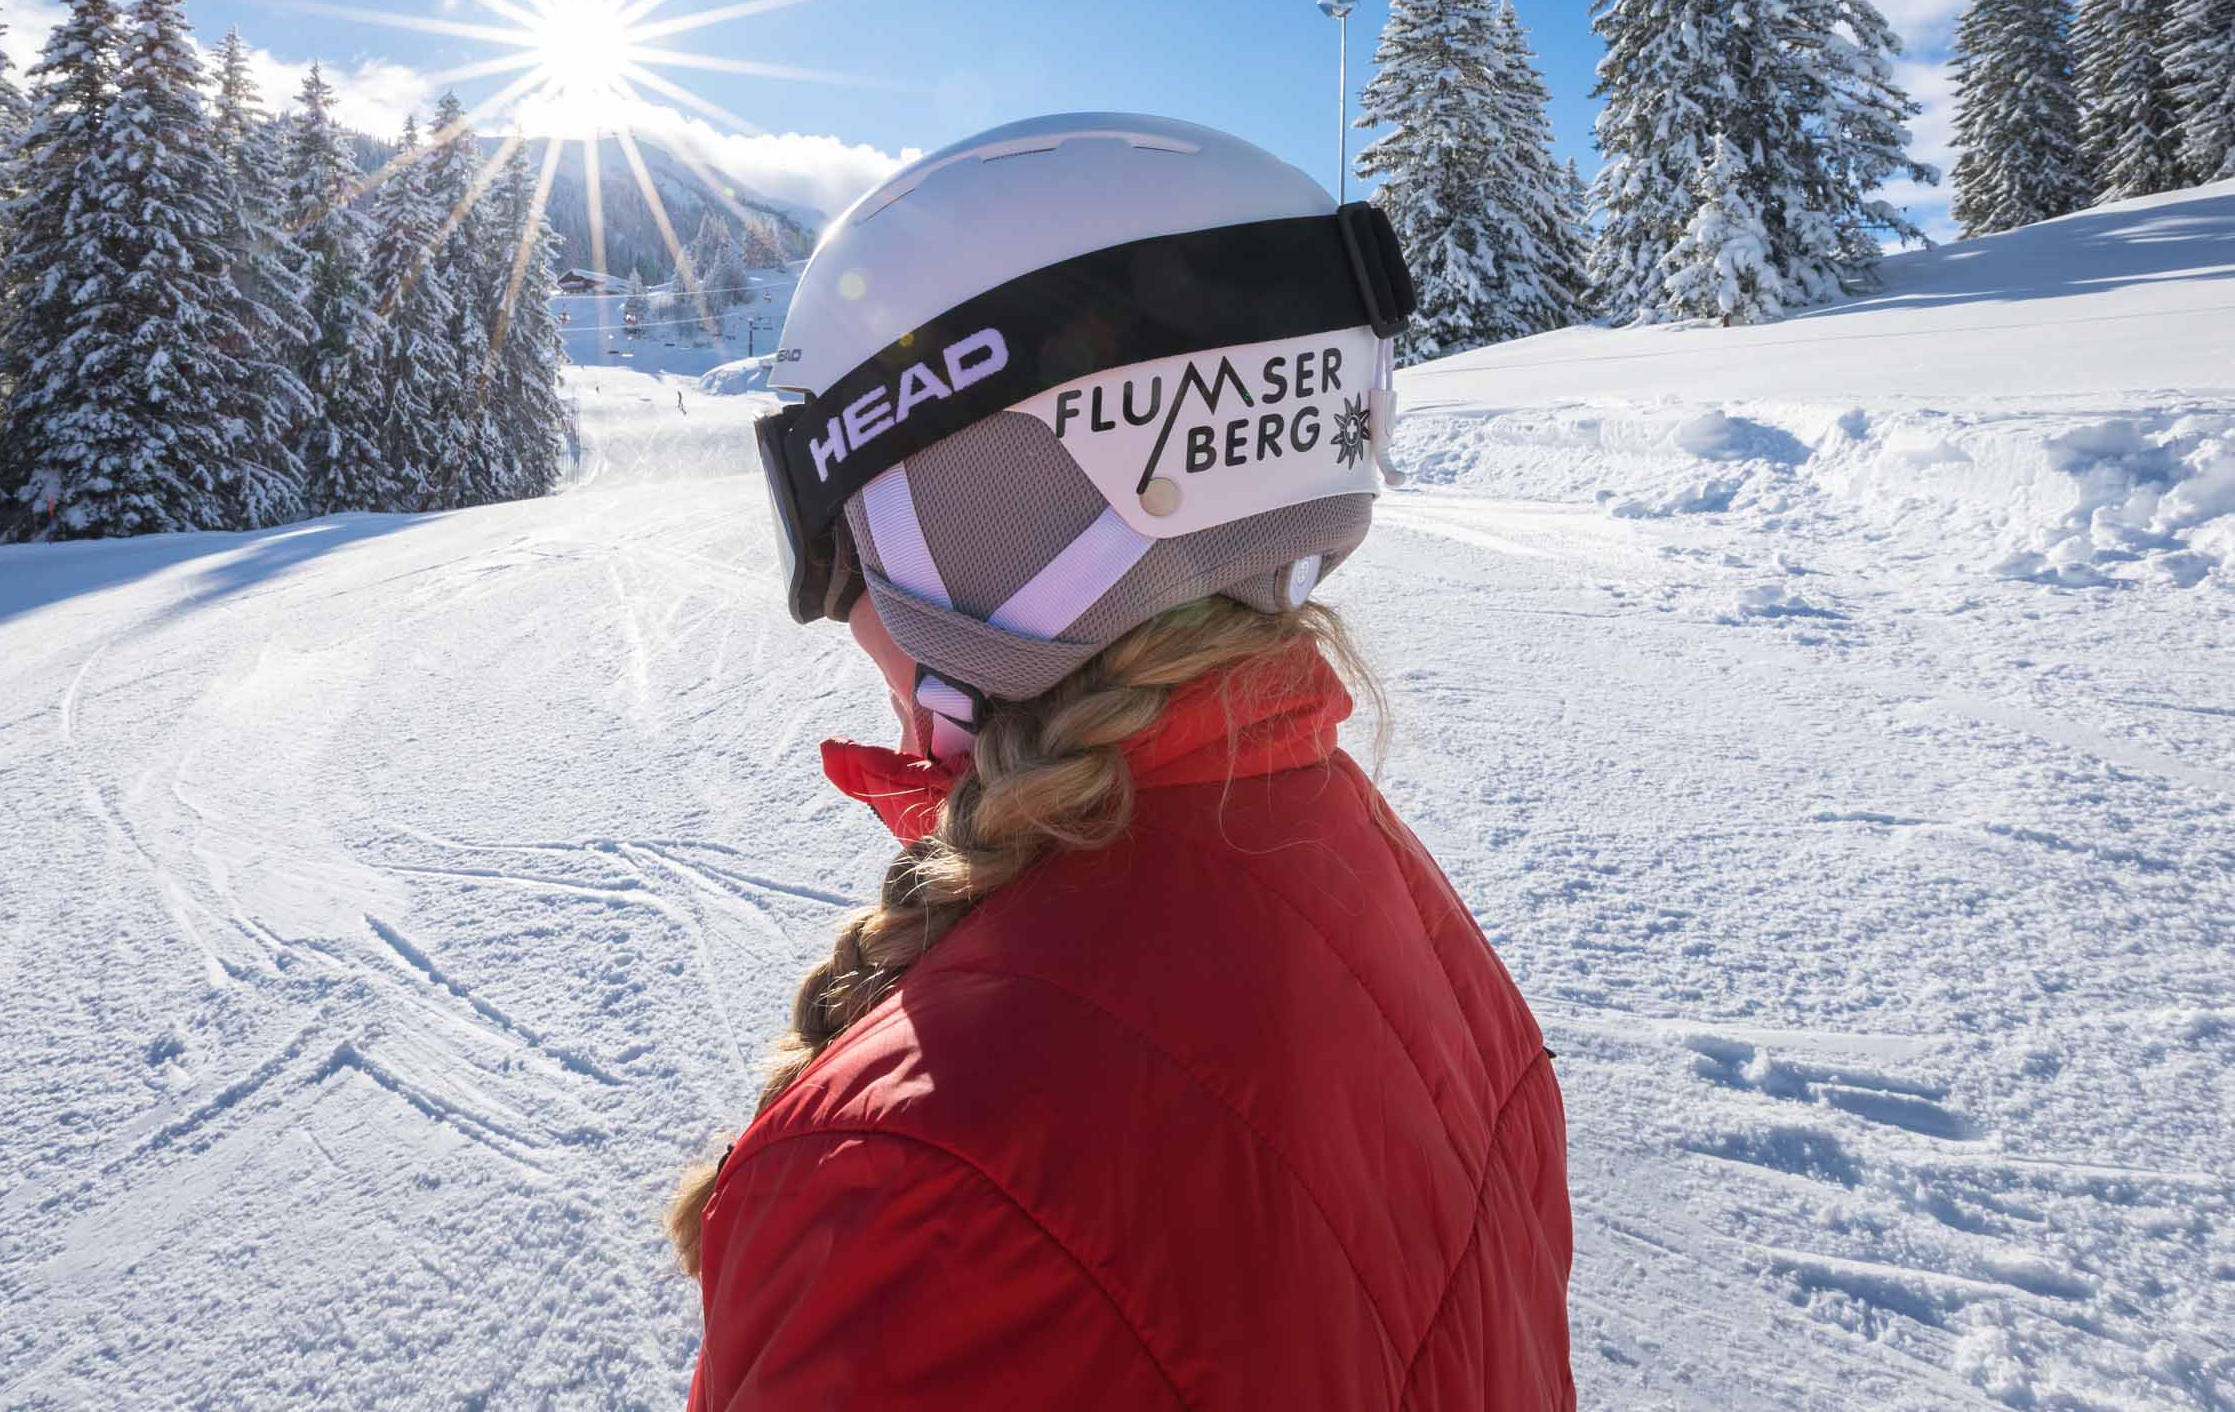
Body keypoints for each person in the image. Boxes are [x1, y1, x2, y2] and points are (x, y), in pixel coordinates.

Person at [671, 114, 1574, 1407]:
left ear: (986, 519)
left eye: (832, 529)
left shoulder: (921, 1179)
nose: (832, 603)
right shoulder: (1368, 878)